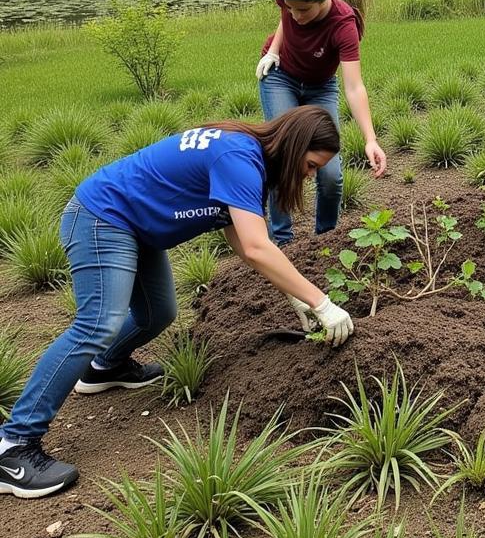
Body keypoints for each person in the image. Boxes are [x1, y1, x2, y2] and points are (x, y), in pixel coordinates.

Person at [0, 105, 353, 500]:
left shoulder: (247, 157)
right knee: (97, 323)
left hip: (138, 227)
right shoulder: (239, 157)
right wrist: (322, 302)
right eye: (309, 165)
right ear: (295, 147)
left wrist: (295, 298)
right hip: (103, 217)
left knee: (158, 313)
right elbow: (255, 247)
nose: (309, 176)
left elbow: (241, 238)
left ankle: (104, 368)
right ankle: (12, 445)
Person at [256, 0, 386, 246]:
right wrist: (273, 51)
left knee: (330, 173)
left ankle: (324, 242)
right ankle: (283, 242)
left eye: (304, 9)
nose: (296, 16)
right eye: (290, 7)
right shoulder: (289, 2)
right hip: (280, 78)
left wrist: (370, 139)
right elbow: (284, 21)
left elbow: (354, 87)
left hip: (320, 87)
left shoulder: (343, 23)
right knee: (283, 156)